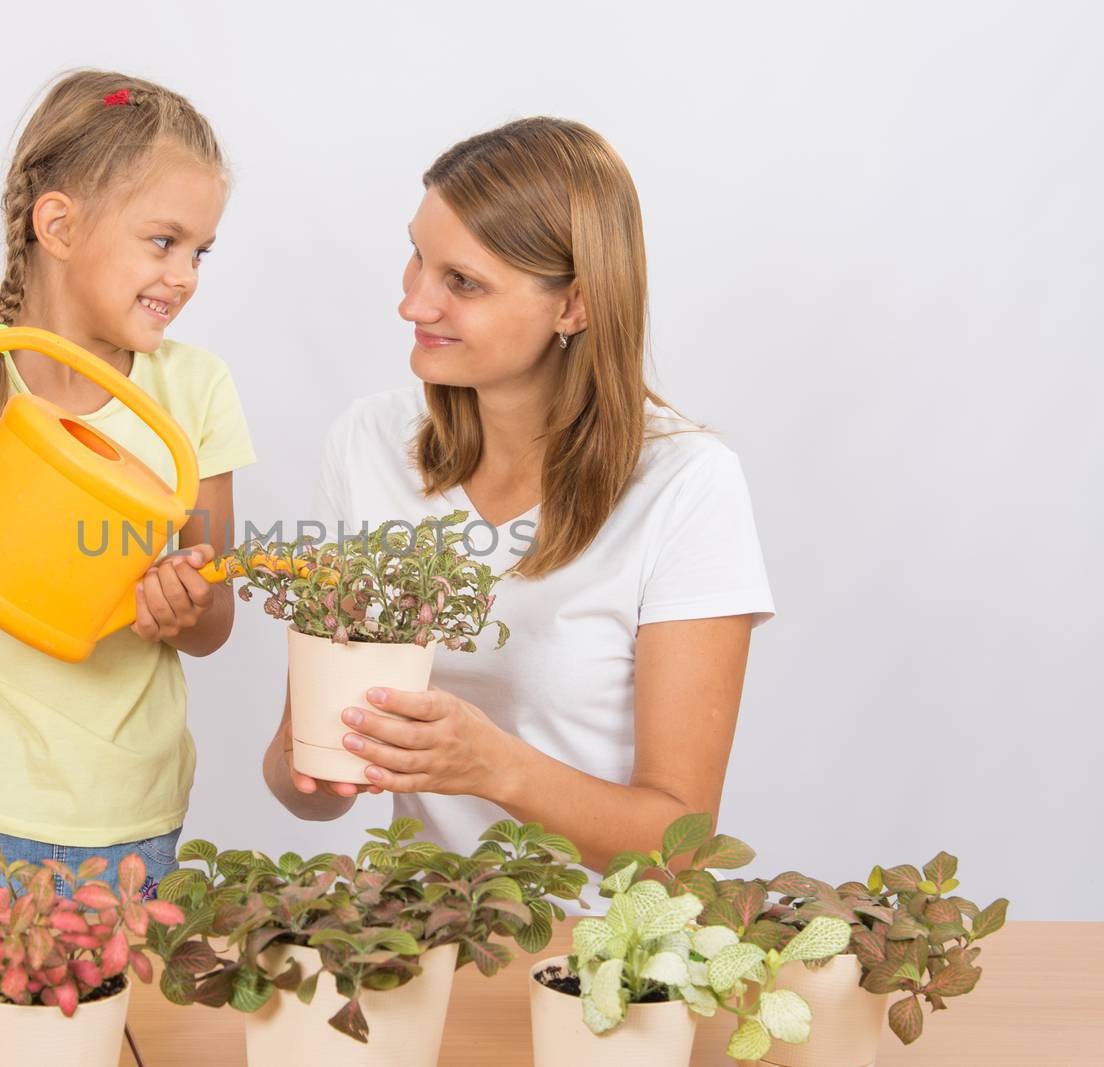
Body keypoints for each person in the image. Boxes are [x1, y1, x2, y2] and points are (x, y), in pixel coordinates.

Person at [264, 118, 773, 875]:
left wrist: (494, 765)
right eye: (417, 256)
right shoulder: (369, 443)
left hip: (597, 958)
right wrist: (320, 764)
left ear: (574, 306)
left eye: (461, 282)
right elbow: (299, 787)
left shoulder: (688, 486)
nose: (413, 304)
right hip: (419, 937)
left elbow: (681, 846)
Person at [0, 71, 254, 911]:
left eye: (200, 252)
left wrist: (186, 604)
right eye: (163, 241)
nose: (184, 276)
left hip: (132, 822)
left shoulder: (197, 390)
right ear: (60, 224)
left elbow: (215, 623)